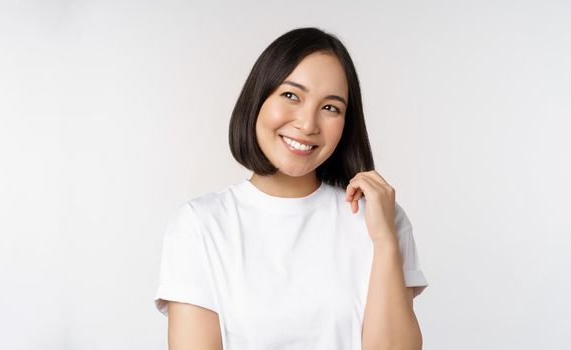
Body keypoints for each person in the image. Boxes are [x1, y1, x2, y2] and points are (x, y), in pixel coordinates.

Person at [153, 27, 428, 350]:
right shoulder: (200, 225)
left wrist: (384, 240)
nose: (308, 124)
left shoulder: (383, 219)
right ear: (258, 99)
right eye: (291, 95)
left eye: (330, 108)